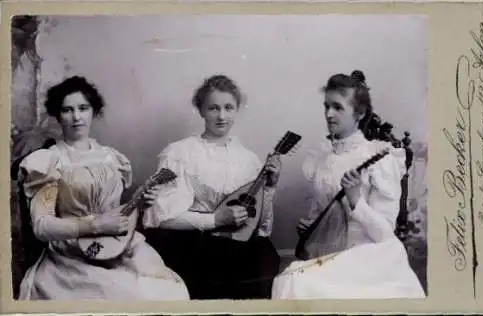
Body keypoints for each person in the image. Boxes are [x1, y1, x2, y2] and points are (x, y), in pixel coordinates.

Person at [17, 76, 190, 300]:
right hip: (72, 256)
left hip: (119, 247)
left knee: (169, 291)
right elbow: (42, 226)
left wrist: (142, 204)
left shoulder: (113, 158)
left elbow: (116, 213)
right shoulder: (49, 161)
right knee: (130, 296)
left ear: (93, 111)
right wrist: (96, 224)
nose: (76, 116)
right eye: (67, 110)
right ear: (57, 115)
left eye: (83, 108)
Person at [272, 70, 425, 299]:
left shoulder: (379, 158)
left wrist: (356, 201)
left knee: (298, 286)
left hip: (369, 257)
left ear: (359, 114)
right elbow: (322, 217)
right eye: (326, 106)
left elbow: (385, 234)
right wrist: (310, 226)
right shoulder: (321, 159)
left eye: (338, 107)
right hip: (328, 255)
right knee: (287, 281)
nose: (329, 114)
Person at [142, 74, 281, 300]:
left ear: (237, 110)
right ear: (201, 110)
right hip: (193, 244)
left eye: (229, 107)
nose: (222, 116)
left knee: (262, 265)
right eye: (213, 108)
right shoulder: (181, 153)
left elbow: (262, 228)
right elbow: (162, 218)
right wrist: (215, 220)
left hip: (239, 246)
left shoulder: (249, 159)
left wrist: (270, 187)